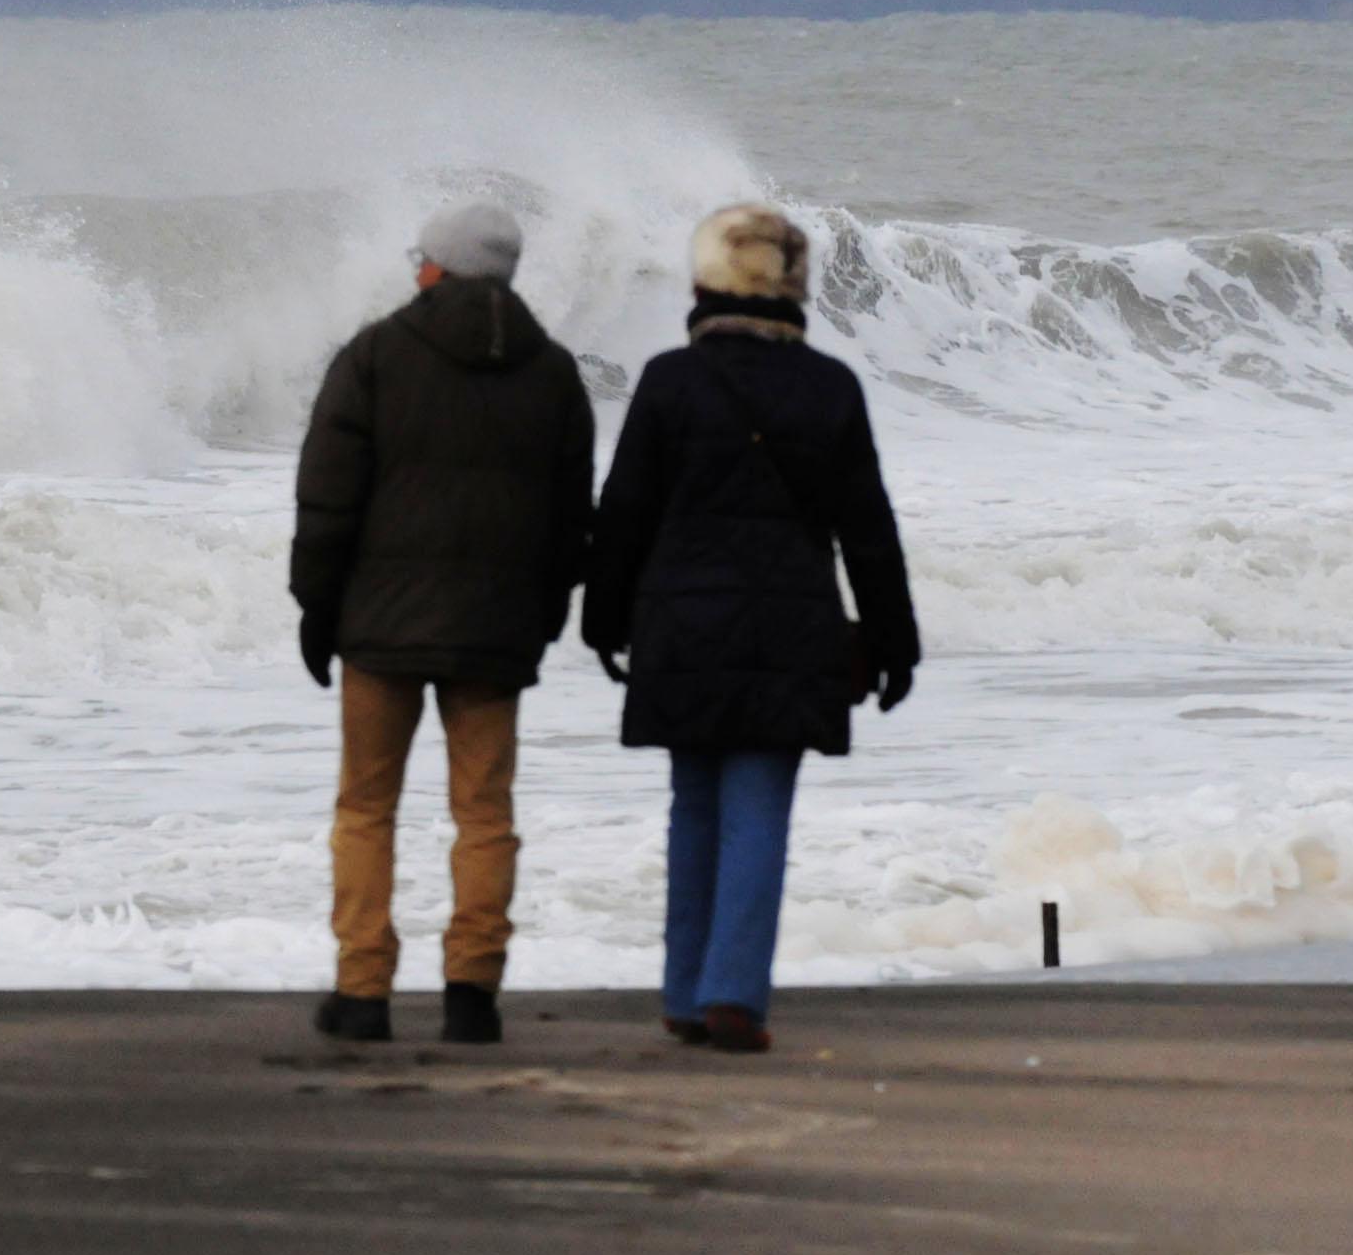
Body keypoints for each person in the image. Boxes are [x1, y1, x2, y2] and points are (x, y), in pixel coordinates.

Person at [584, 204, 919, 1055]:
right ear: (794, 288)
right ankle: (734, 991)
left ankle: (684, 993)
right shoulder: (830, 387)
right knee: (758, 807)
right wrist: (893, 644)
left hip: (682, 625)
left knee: (692, 803)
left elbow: (623, 512)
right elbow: (867, 529)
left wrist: (601, 619)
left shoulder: (668, 381)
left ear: (704, 283)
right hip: (791, 627)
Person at [292, 200, 596, 1045]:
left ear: (439, 268)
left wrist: (317, 607)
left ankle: (361, 991)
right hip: (497, 632)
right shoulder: (554, 371)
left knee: (365, 807)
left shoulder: (377, 355)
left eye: (420, 257)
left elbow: (326, 497)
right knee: (486, 813)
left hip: (380, 628)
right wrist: (548, 610)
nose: (414, 268)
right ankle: (472, 991)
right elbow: (574, 516)